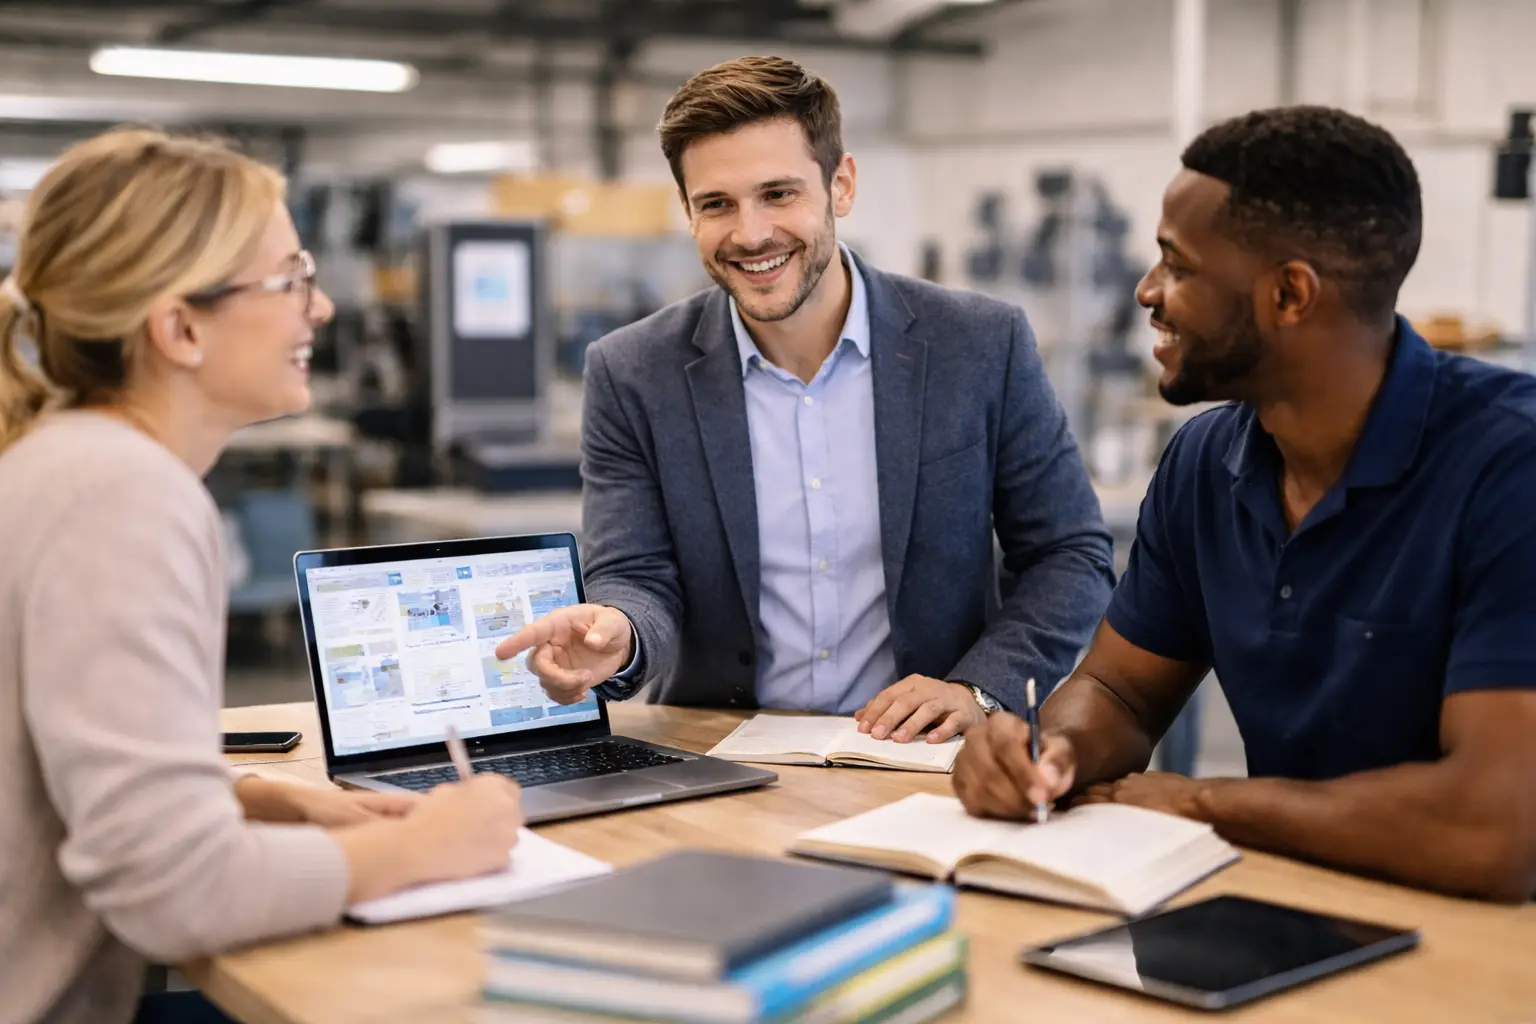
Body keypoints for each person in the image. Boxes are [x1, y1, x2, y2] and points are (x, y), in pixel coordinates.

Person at [0, 129, 525, 1024]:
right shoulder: (122, 497)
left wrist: (249, 798)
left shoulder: (67, 462)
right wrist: (428, 848)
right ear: (180, 327)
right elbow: (175, 890)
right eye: (290, 281)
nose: (317, 311)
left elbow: (72, 757)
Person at [951, 105, 1536, 903]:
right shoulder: (1203, 460)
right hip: (1299, 906)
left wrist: (1203, 804)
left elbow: (1497, 832)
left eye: (1178, 266)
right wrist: (1046, 751)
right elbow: (1123, 690)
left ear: (1290, 295)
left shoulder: (1511, 467)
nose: (1147, 291)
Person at [497, 56, 1113, 742]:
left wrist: (980, 687)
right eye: (717, 204)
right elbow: (636, 576)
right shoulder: (633, 371)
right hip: (722, 753)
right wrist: (619, 632)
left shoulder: (979, 344)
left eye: (779, 194)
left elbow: (1070, 554)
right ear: (688, 211)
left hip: (923, 754)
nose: (752, 233)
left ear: (840, 184)